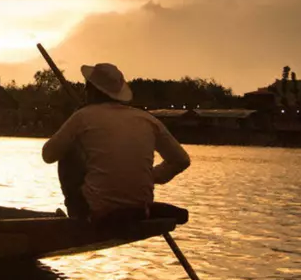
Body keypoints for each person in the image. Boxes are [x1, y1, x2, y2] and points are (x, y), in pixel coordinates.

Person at [42, 62, 190, 220]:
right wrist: (152, 176)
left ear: (91, 90)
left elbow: (48, 155)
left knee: (67, 152)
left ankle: (77, 216)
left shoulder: (83, 116)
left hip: (96, 211)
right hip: (140, 210)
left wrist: (74, 127)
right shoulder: (147, 119)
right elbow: (181, 160)